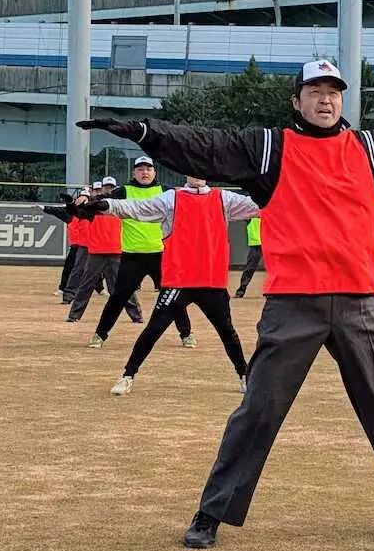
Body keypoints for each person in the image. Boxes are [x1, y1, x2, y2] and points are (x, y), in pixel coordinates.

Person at [78, 58, 374, 548]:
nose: (326, 99)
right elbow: (206, 147)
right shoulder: (269, 149)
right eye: (315, 90)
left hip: (359, 303)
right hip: (292, 303)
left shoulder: (371, 149)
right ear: (296, 100)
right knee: (259, 408)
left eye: (334, 91)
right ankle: (210, 513)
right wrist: (143, 131)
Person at [76, 176, 256, 396]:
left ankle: (244, 375)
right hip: (178, 282)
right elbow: (136, 208)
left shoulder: (224, 199)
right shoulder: (172, 199)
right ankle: (127, 375)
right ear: (185, 175)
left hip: (212, 282)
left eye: (200, 169)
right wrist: (105, 204)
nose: (196, 174)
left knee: (227, 331)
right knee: (153, 330)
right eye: (191, 170)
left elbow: (261, 205)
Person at [87, 157, 194, 349]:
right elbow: (102, 200)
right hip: (132, 256)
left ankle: (186, 334)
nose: (144, 172)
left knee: (173, 295)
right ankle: (99, 335)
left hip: (161, 254)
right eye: (140, 169)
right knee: (118, 297)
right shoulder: (125, 191)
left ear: (154, 172)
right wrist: (86, 200)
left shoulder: (166, 191)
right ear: (134, 173)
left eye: (148, 169)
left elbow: (190, 200)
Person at [64, 190, 144, 325]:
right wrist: (72, 202)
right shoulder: (92, 210)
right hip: (96, 253)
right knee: (86, 285)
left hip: (116, 251)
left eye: (110, 188)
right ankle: (74, 315)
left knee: (122, 286)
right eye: (104, 188)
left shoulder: (120, 209)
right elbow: (75, 212)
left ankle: (136, 316)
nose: (106, 191)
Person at [233, 217, 263, 298]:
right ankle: (241, 290)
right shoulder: (250, 211)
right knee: (250, 268)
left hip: (269, 241)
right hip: (256, 243)